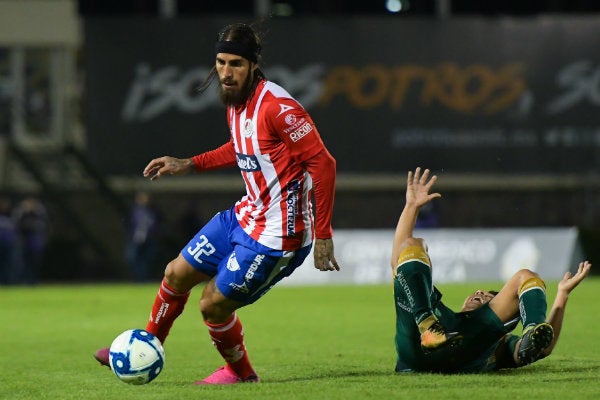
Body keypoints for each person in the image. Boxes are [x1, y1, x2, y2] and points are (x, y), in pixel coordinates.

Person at [94, 22, 340, 384]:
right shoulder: (236, 103)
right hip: (246, 215)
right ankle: (146, 347)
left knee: (211, 304)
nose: (226, 72)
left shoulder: (279, 108)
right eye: (222, 63)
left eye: (236, 64)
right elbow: (241, 147)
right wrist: (190, 163)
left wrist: (323, 234)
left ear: (253, 66)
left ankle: (241, 374)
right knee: (175, 273)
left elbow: (324, 164)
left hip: (278, 235)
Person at [391, 167, 591, 373]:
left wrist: (562, 296)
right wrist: (412, 207)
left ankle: (531, 329)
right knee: (412, 245)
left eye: (487, 296)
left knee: (527, 276)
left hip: (466, 351)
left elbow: (543, 348)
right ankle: (427, 324)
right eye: (478, 292)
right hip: (417, 343)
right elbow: (398, 260)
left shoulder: (497, 342)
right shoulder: (439, 309)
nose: (479, 292)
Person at [124, 191, 160, 282]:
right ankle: (137, 278)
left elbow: (156, 224)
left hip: (149, 239)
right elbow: (128, 223)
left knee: (146, 260)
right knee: (132, 258)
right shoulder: (134, 211)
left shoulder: (152, 211)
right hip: (136, 238)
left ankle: (143, 279)